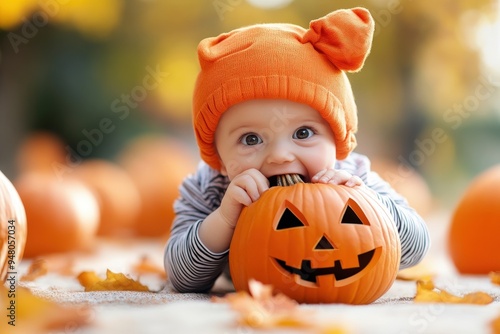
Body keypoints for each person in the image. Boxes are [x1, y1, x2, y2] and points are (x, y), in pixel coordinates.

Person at [164, 7, 431, 293]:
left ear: (337, 141)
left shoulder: (352, 177)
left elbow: (416, 249)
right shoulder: (211, 188)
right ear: (218, 157)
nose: (280, 155)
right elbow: (182, 279)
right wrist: (224, 220)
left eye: (303, 133)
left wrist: (370, 203)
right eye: (251, 139)